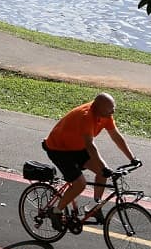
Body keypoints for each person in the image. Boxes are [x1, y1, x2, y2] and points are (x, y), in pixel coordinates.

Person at [42, 92, 140, 230]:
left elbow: (116, 137)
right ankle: (56, 211)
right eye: (110, 109)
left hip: (77, 147)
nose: (113, 111)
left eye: (114, 107)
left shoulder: (106, 116)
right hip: (59, 149)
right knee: (79, 184)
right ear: (98, 109)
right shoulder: (86, 116)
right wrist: (104, 166)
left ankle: (95, 207)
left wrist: (132, 158)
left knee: (102, 173)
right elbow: (90, 145)